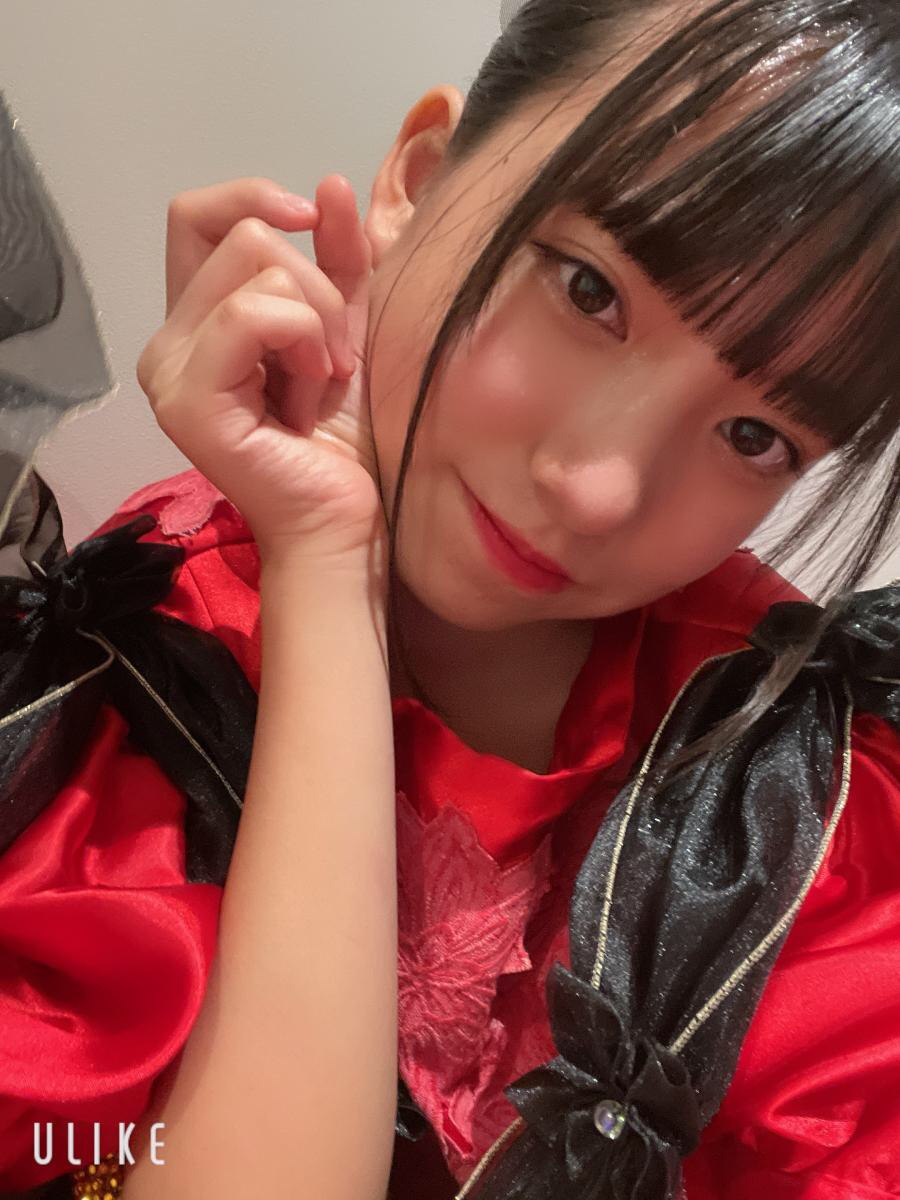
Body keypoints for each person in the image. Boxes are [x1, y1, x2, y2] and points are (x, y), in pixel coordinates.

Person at [1, 0, 899, 1197]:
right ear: (420, 181)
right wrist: (327, 570)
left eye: (755, 435)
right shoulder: (135, 675)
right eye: (589, 291)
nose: (596, 489)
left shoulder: (796, 792)